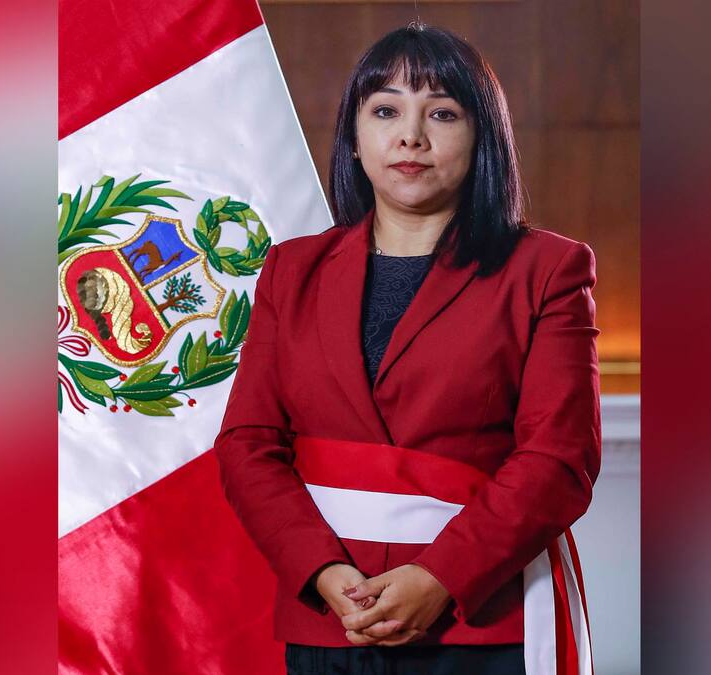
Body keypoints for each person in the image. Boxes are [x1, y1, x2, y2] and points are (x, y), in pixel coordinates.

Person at [214, 22, 601, 675]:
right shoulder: (290, 270)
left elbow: (559, 457)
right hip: (330, 616)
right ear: (354, 137)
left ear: (483, 137)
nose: (410, 135)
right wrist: (324, 571)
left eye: (442, 113)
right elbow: (246, 444)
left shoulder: (548, 269)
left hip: (480, 619)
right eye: (386, 110)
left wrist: (439, 577)